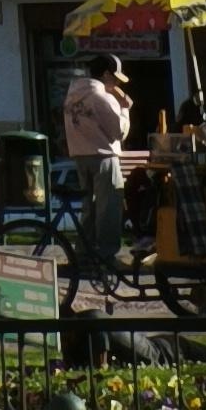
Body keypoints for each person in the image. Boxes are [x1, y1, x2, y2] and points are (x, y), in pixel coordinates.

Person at [62, 58, 134, 284]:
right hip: (104, 156)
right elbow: (119, 132)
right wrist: (124, 109)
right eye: (114, 78)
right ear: (105, 74)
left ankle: (84, 254)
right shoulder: (102, 97)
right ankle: (106, 255)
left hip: (80, 155)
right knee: (108, 207)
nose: (116, 83)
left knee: (89, 208)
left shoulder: (72, 94)